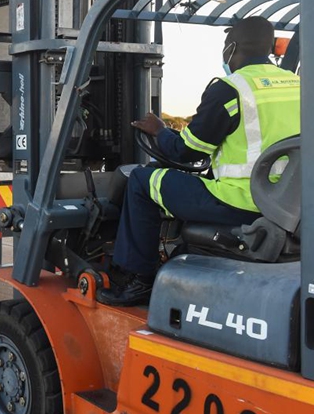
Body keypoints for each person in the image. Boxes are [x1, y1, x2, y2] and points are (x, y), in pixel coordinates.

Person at [97, 16, 300, 307]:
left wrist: (161, 132)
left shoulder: (232, 89)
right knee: (174, 180)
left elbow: (187, 152)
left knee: (143, 181)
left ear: (232, 47)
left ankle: (138, 279)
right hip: (293, 207)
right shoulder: (299, 85)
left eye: (225, 46)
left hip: (243, 202)